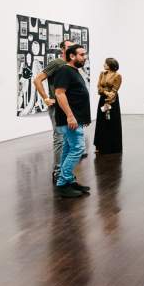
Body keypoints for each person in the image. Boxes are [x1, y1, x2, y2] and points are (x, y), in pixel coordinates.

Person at [52, 44, 92, 199]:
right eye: (81, 54)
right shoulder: (64, 70)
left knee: (68, 149)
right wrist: (70, 116)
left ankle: (68, 181)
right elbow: (59, 94)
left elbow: (76, 95)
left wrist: (83, 118)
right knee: (78, 148)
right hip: (70, 119)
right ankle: (63, 182)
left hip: (76, 119)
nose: (85, 57)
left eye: (85, 54)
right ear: (72, 56)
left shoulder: (74, 71)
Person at [34, 40, 71, 183]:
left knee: (68, 138)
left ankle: (65, 170)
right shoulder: (56, 63)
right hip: (56, 106)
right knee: (59, 137)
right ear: (63, 49)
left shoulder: (69, 65)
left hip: (66, 106)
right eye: (70, 47)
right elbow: (37, 79)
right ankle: (58, 171)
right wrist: (46, 98)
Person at [94, 58, 123, 154]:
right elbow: (98, 87)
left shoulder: (117, 76)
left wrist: (106, 95)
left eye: (105, 63)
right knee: (101, 121)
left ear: (110, 65)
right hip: (102, 99)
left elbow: (114, 91)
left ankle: (112, 147)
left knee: (111, 121)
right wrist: (105, 92)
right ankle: (100, 146)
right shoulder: (102, 74)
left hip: (112, 101)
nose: (104, 65)